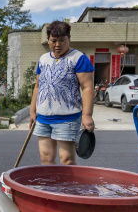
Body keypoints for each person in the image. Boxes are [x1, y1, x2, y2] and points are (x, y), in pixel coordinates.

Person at [29, 21, 95, 165]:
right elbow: (38, 86)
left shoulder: (78, 58)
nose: (57, 44)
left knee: (67, 160)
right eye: (53, 41)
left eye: (61, 40)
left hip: (67, 119)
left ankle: (68, 188)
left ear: (69, 39)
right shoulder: (43, 59)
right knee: (45, 159)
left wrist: (87, 115)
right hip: (43, 118)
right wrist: (32, 110)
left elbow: (87, 87)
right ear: (48, 40)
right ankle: (50, 187)